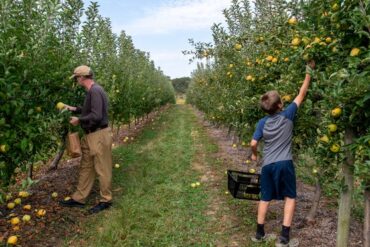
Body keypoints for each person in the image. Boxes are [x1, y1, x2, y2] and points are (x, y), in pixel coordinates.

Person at [250, 60, 315, 246]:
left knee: (265, 197)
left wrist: (254, 154)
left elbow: (253, 142)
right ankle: (284, 238)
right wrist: (309, 72)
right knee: (290, 197)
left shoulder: (262, 123)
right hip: (285, 163)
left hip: (268, 165)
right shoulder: (288, 115)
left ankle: (259, 234)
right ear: (280, 105)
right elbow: (301, 94)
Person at [59, 65, 113, 214]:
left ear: (82, 77)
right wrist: (74, 109)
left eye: (76, 78)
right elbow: (89, 110)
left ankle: (106, 200)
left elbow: (96, 116)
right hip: (91, 135)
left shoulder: (95, 91)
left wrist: (79, 120)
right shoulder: (92, 91)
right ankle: (79, 198)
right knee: (86, 167)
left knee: (103, 168)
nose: (76, 81)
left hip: (99, 135)